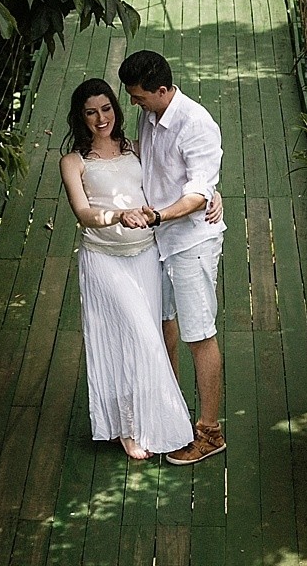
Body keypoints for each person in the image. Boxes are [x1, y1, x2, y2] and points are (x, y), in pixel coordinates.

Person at [59, 78, 195, 460]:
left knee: (146, 335)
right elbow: (84, 213)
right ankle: (126, 427)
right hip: (103, 259)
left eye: (106, 109)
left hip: (145, 255)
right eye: (91, 112)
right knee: (135, 336)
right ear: (81, 117)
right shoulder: (73, 162)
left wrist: (209, 193)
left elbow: (172, 179)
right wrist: (118, 215)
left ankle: (150, 421)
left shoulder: (135, 148)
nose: (101, 118)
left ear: (115, 109)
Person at [117, 49, 226, 465]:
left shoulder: (196, 124)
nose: (134, 104)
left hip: (190, 244)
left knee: (199, 335)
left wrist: (161, 214)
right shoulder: (150, 116)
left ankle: (210, 432)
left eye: (139, 97)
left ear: (162, 90)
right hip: (158, 243)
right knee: (164, 327)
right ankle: (172, 418)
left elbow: (197, 192)